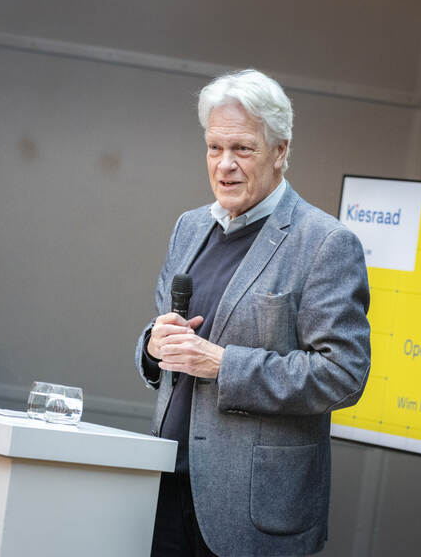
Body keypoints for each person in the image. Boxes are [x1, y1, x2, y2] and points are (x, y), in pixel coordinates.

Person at [135, 69, 371, 556]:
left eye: (242, 149)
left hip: (253, 513)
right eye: (214, 148)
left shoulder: (325, 243)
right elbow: (169, 337)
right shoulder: (189, 227)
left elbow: (343, 375)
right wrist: (153, 346)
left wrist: (224, 365)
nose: (225, 165)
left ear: (280, 151)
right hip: (164, 492)